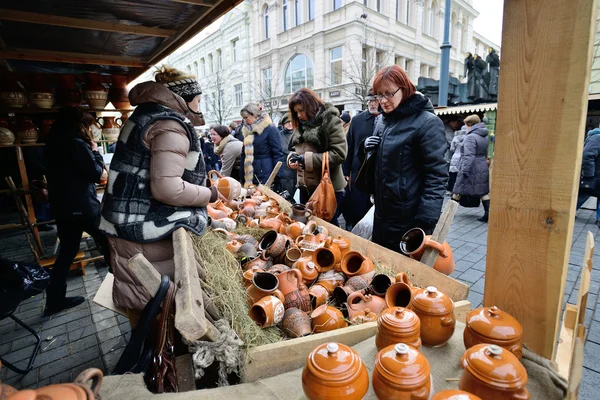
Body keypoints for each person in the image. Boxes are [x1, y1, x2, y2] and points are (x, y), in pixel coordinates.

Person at [99, 66, 218, 320]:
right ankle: (159, 356)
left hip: (125, 220)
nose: (200, 103)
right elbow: (167, 188)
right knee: (157, 312)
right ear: (186, 99)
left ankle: (153, 350)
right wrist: (211, 194)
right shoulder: (169, 125)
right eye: (198, 98)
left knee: (147, 309)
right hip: (139, 227)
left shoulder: (147, 115)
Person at [362, 65, 447, 250]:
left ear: (405, 89)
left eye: (388, 93)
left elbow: (437, 176)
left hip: (409, 218)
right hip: (382, 212)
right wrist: (368, 148)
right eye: (378, 95)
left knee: (406, 274)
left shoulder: (427, 123)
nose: (382, 101)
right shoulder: (383, 120)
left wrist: (425, 222)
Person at [44, 107, 110, 315]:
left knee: (67, 252)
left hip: (63, 206)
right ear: (79, 125)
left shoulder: (52, 143)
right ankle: (122, 289)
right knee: (110, 243)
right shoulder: (77, 145)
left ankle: (54, 301)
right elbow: (96, 174)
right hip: (82, 206)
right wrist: (95, 152)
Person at [287, 88, 348, 224]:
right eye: (296, 112)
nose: (299, 115)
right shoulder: (303, 124)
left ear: (311, 106)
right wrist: (292, 158)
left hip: (327, 188)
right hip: (305, 187)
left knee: (326, 226)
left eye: (301, 110)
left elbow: (339, 153)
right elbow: (298, 149)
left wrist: (306, 159)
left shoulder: (330, 121)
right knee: (308, 226)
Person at [342, 90, 379, 231]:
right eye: (369, 100)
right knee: (357, 205)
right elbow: (349, 146)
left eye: (375, 100)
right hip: (358, 171)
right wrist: (346, 170)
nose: (371, 103)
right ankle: (353, 226)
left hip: (379, 173)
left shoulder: (389, 119)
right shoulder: (358, 120)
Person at [452, 114, 491, 222]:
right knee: (483, 191)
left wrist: (464, 170)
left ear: (470, 124)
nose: (466, 127)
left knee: (458, 189)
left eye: (466, 125)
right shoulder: (484, 136)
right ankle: (488, 213)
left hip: (471, 166)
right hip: (481, 165)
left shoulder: (470, 137)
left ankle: (449, 213)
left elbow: (469, 156)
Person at [239, 103, 283, 187]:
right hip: (250, 174)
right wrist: (242, 175)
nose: (244, 120)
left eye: (246, 117)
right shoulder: (247, 131)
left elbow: (277, 154)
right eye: (243, 118)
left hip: (265, 172)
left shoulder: (270, 129)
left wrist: (278, 176)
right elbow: (243, 155)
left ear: (254, 115)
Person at [577, 127, 600, 227]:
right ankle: (566, 212)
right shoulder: (597, 138)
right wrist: (589, 175)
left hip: (596, 176)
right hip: (594, 176)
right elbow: (587, 155)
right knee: (582, 194)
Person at [276, 114, 297, 196]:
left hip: (297, 167)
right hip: (285, 168)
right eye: (287, 122)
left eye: (292, 122)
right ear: (283, 124)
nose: (290, 124)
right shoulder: (279, 135)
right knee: (287, 192)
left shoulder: (298, 134)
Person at [448, 126, 467, 193]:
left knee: (452, 174)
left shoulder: (455, 137)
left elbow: (452, 148)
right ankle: (458, 191)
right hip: (464, 156)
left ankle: (450, 189)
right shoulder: (468, 138)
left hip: (455, 156)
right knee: (460, 175)